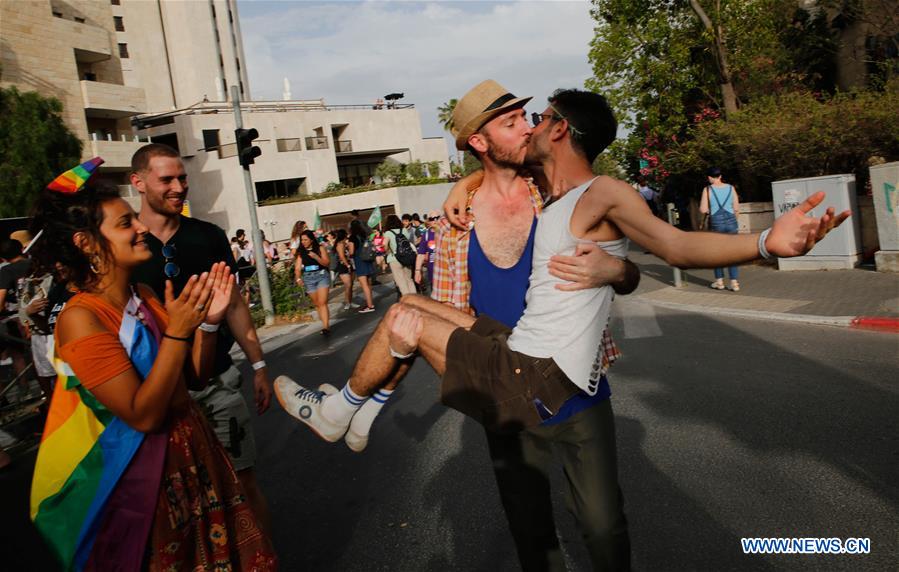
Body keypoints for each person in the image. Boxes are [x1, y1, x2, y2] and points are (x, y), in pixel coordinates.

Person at [275, 85, 848, 571]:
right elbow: (495, 199)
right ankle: (356, 408)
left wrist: (762, 244)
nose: (528, 126)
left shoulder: (585, 191)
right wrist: (465, 185)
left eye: (537, 116)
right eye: (514, 120)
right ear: (480, 143)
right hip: (510, 355)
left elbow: (669, 242)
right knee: (416, 309)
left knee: (601, 530)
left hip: (550, 378)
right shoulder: (510, 205)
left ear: (559, 130)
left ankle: (342, 409)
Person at [28, 162, 275, 570]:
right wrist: (178, 331)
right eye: (125, 223)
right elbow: (142, 413)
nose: (140, 229)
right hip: (146, 474)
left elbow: (193, 377)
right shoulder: (81, 318)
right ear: (87, 243)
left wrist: (209, 323)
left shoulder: (141, 294)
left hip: (192, 450)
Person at [129, 143, 274, 536]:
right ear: (138, 182)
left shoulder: (208, 236)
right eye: (167, 179)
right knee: (179, 502)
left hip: (217, 381)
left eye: (183, 178)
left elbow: (235, 304)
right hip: (159, 390)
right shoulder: (127, 243)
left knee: (243, 482)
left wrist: (259, 365)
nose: (179, 187)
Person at [700, 167, 741, 291]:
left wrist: (709, 209)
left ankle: (720, 282)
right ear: (720, 176)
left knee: (717, 254)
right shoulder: (731, 188)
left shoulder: (707, 190)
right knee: (732, 253)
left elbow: (703, 209)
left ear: (709, 177)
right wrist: (734, 221)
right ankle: (734, 283)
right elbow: (736, 208)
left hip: (717, 223)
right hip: (732, 222)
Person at [295, 229, 332, 335]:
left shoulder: (320, 248)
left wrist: (316, 257)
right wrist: (298, 278)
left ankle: (326, 327)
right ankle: (324, 323)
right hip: (308, 278)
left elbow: (326, 263)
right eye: (302, 240)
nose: (303, 242)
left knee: (322, 302)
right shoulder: (301, 252)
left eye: (305, 240)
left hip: (321, 275)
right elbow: (297, 268)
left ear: (311, 240)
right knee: (317, 304)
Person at [383, 214, 416, 296]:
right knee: (409, 280)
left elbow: (385, 245)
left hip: (394, 259)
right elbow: (407, 241)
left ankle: (408, 302)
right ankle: (415, 300)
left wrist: (387, 250)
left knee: (401, 282)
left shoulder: (388, 233)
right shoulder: (404, 230)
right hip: (407, 257)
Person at [348, 219, 376, 313]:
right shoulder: (364, 235)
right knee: (368, 283)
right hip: (368, 260)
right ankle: (370, 302)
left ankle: (370, 305)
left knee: (364, 285)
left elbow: (351, 252)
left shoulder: (352, 237)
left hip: (359, 261)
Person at [413, 210, 440, 295]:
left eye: (437, 218)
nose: (435, 220)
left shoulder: (447, 232)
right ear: (428, 221)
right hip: (433, 275)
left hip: (448, 274)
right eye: (432, 219)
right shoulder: (426, 235)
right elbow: (421, 254)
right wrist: (417, 271)